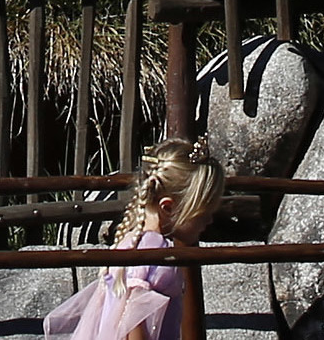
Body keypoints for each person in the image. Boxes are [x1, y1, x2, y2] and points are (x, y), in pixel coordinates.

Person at [45, 139, 221, 340]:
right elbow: (134, 325)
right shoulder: (156, 254)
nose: (210, 220)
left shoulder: (130, 242)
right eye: (204, 213)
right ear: (168, 207)